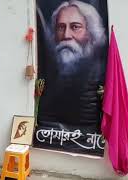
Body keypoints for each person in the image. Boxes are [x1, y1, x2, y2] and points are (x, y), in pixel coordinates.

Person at [35, 0, 108, 154]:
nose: (66, 35)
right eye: (61, 27)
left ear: (90, 32)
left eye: (75, 27)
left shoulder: (100, 70)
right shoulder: (48, 70)